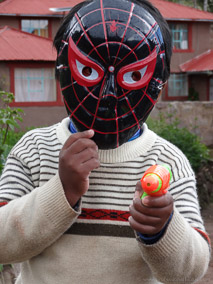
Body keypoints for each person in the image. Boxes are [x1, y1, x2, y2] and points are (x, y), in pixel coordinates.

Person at [0, 0, 210, 283]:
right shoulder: (35, 151)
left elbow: (191, 273)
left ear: (158, 82)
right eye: (89, 71)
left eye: (134, 75)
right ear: (63, 70)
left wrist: (163, 228)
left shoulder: (167, 161)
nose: (109, 94)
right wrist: (62, 191)